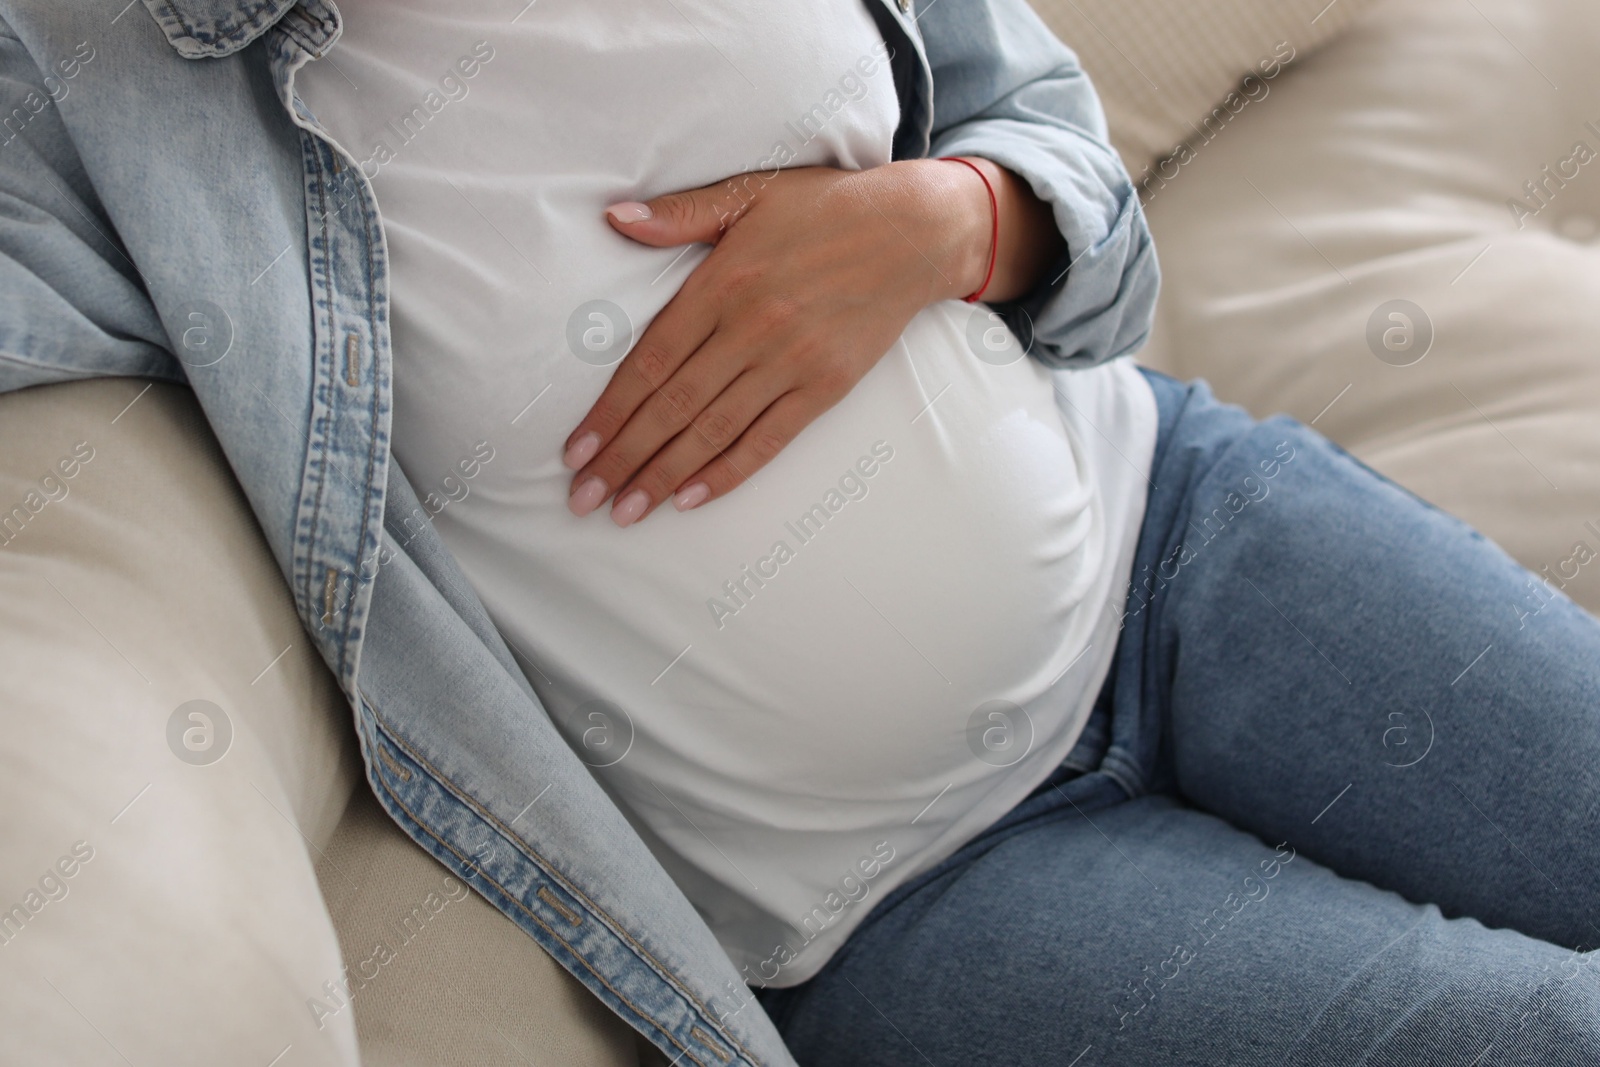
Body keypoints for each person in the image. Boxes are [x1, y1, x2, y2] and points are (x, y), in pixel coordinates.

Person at [3, 1, 1599, 1064]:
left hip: (1189, 534)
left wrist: (960, 220)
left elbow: (1059, 154)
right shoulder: (100, 84)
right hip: (893, 899)